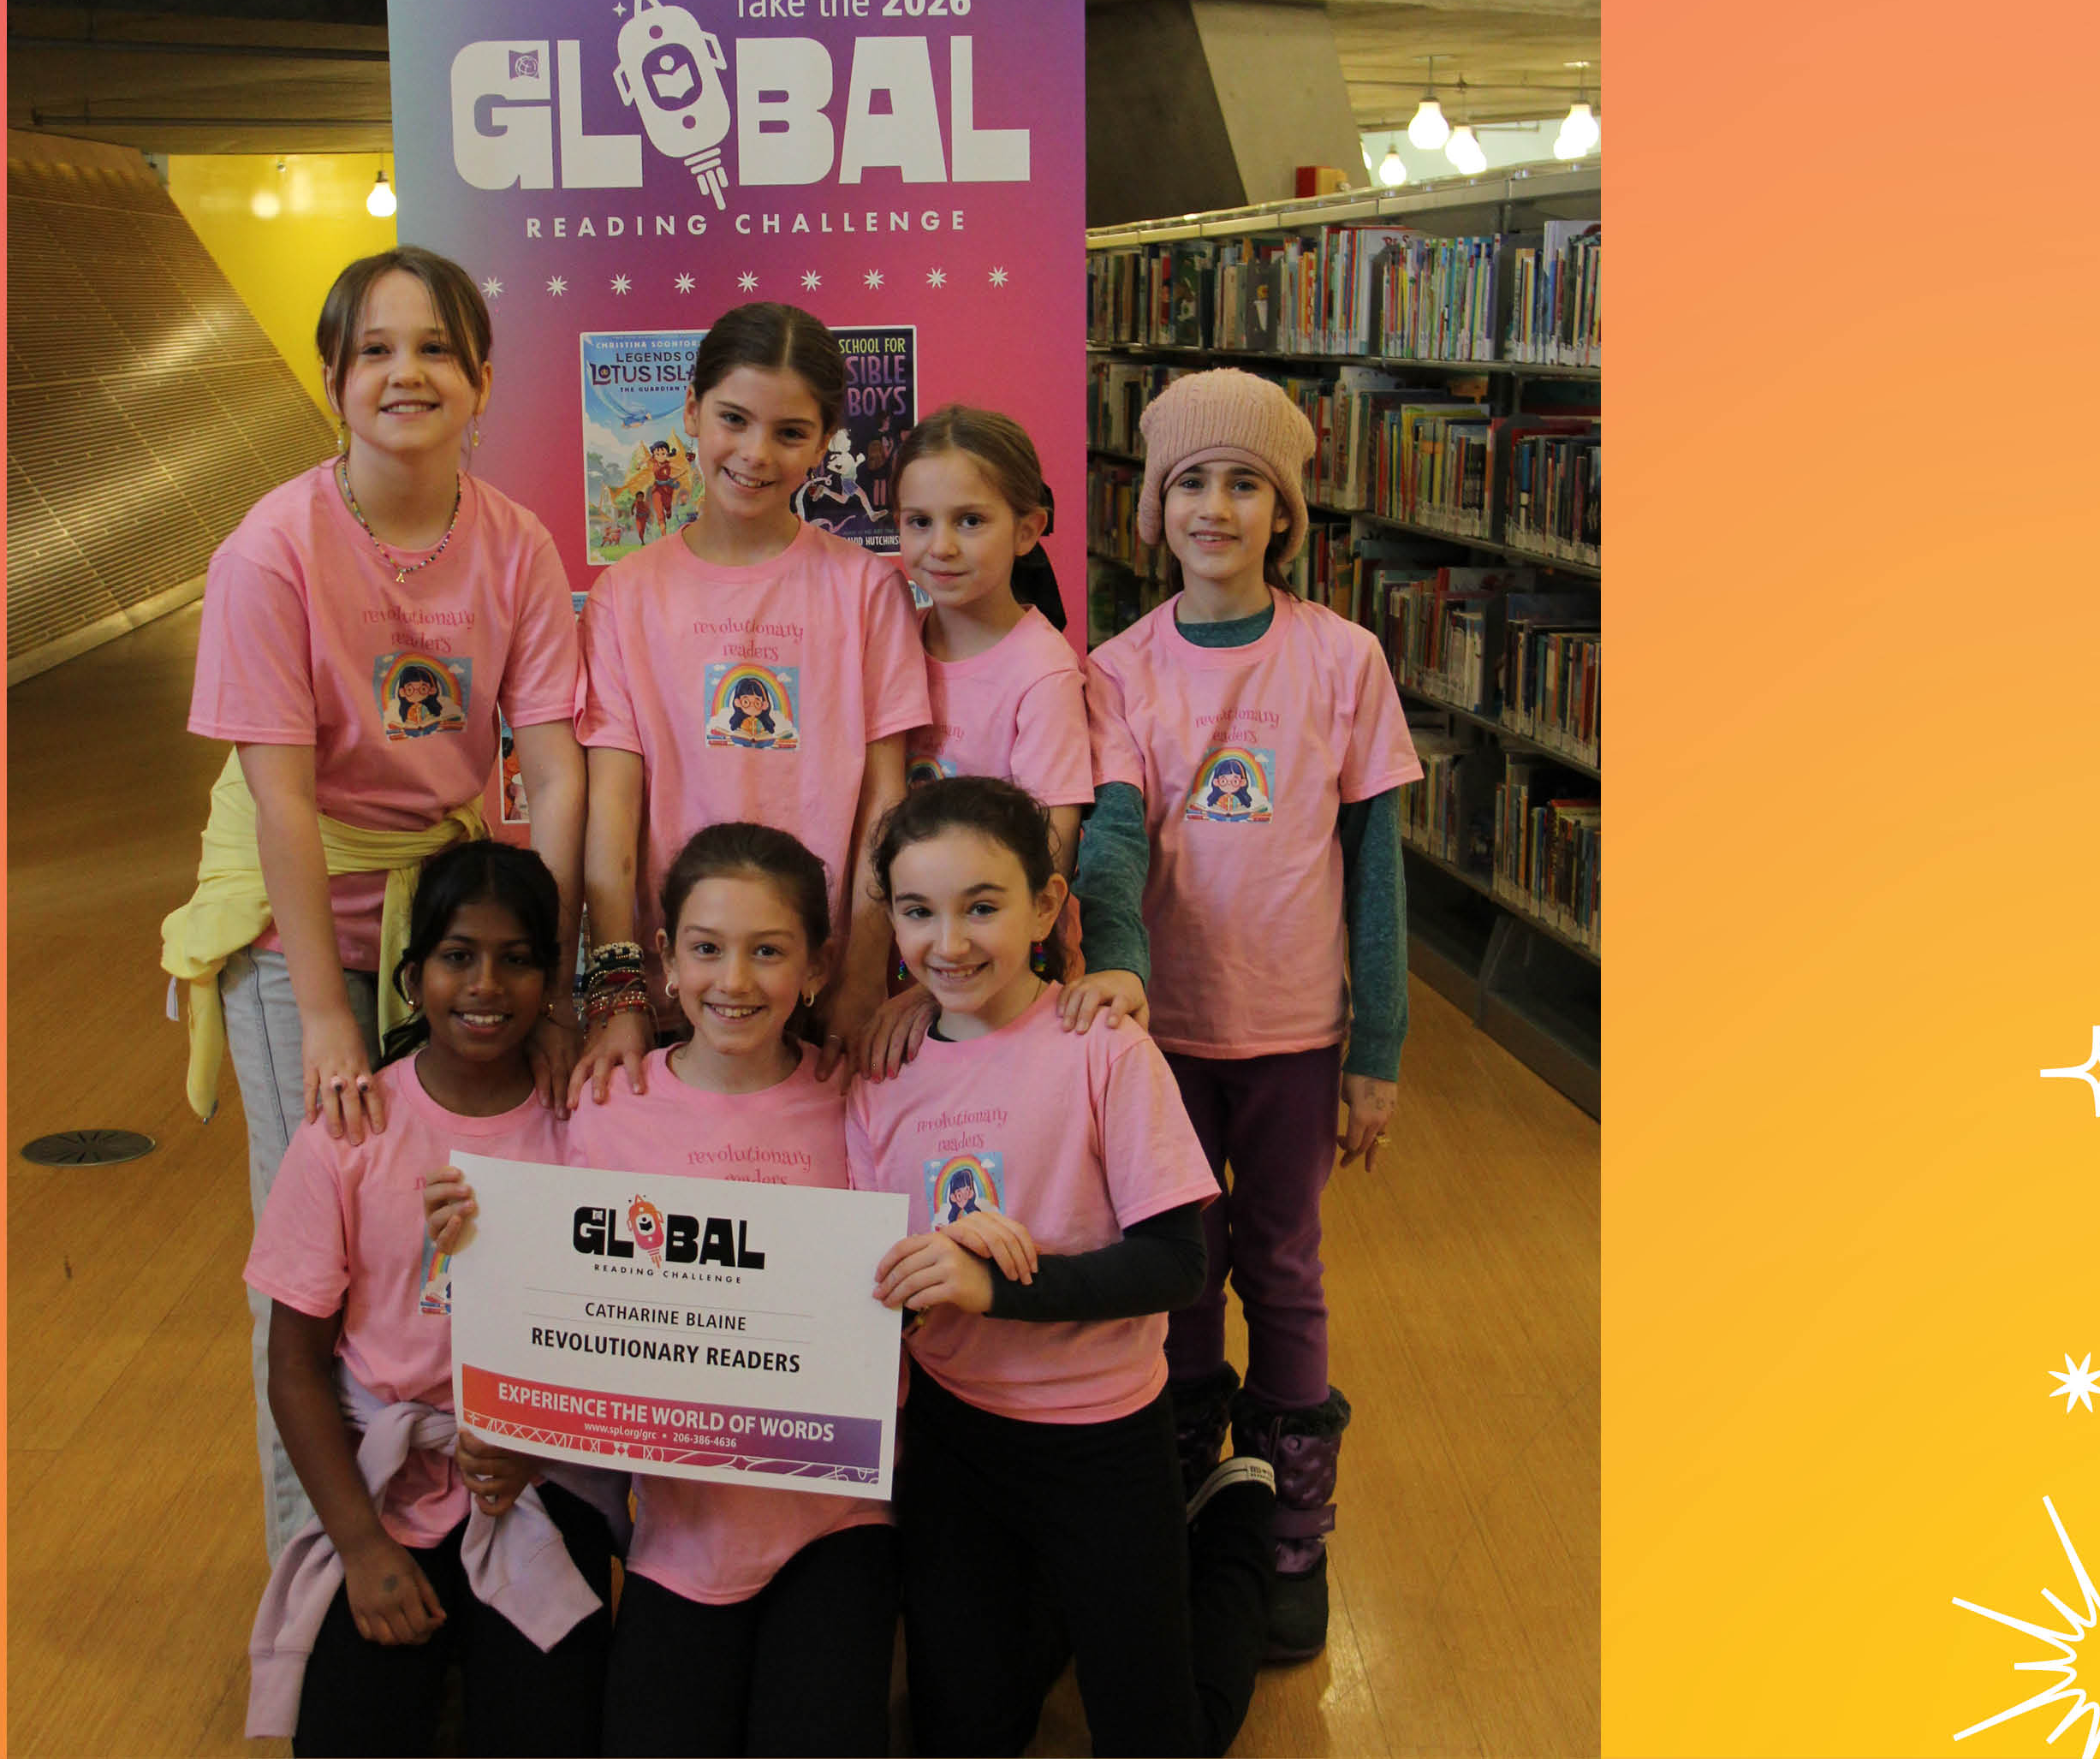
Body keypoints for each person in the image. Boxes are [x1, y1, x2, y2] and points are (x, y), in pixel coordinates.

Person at [173, 246, 588, 1566]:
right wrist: (323, 1013)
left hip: (444, 915)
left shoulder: (515, 543)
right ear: (335, 380)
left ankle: (468, 1533)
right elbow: (283, 800)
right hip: (296, 913)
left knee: (459, 1222)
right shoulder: (270, 549)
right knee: (318, 1249)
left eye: (434, 349)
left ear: (479, 379)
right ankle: (324, 1566)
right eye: (373, 350)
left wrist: (562, 978)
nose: (404, 373)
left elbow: (560, 765)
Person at [426, 824, 944, 1756]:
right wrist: (475, 1238)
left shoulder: (861, 1101)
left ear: (817, 965)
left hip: (835, 1517)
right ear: (665, 960)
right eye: (706, 949)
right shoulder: (606, 1106)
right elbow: (557, 1308)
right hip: (674, 1534)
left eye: (767, 951)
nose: (733, 982)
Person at [1075, 367, 1421, 1662]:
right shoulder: (1115, 669)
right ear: (1153, 507)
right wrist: (1114, 971)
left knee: (1281, 1268)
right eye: (1190, 485)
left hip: (1291, 1033)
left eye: (1244, 486)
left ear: (1283, 512)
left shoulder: (1343, 659)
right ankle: (1176, 1496)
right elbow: (1110, 843)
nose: (1215, 508)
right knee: (1179, 1271)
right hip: (1159, 1039)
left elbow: (1374, 865)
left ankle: (1289, 1531)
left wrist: (1374, 1052)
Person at [847, 777, 1246, 1757]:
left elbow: (1173, 1266)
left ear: (1047, 906)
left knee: (1160, 1741)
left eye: (981, 907)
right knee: (959, 1735)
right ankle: (1055, 1605)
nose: (948, 943)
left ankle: (1236, 1521)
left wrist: (996, 1287)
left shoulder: (1102, 1048)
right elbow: (870, 1283)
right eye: (916, 912)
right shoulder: (881, 1075)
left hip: (1104, 1439)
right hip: (956, 1441)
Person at [241, 841, 614, 1752]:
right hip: (390, 1489)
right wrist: (364, 1550)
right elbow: (293, 1364)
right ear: (411, 977)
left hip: (539, 1473)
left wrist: (538, 1444)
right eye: (456, 957)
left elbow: (622, 1333)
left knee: (547, 1727)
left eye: (517, 958)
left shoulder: (588, 1125)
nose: (485, 985)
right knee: (346, 1731)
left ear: (547, 978)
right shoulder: (352, 1130)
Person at [572, 304, 929, 1096]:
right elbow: (614, 816)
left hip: (817, 979)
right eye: (733, 418)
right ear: (691, 411)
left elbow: (885, 801)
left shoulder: (866, 589)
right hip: (679, 984)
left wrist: (862, 971)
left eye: (791, 432)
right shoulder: (625, 597)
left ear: (825, 440)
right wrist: (620, 986)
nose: (756, 453)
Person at [887, 406, 1097, 874]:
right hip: (908, 914)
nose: (941, 546)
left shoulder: (1043, 672)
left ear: (1026, 531)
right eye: (919, 522)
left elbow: (1053, 846)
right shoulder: (892, 640)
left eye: (970, 521)